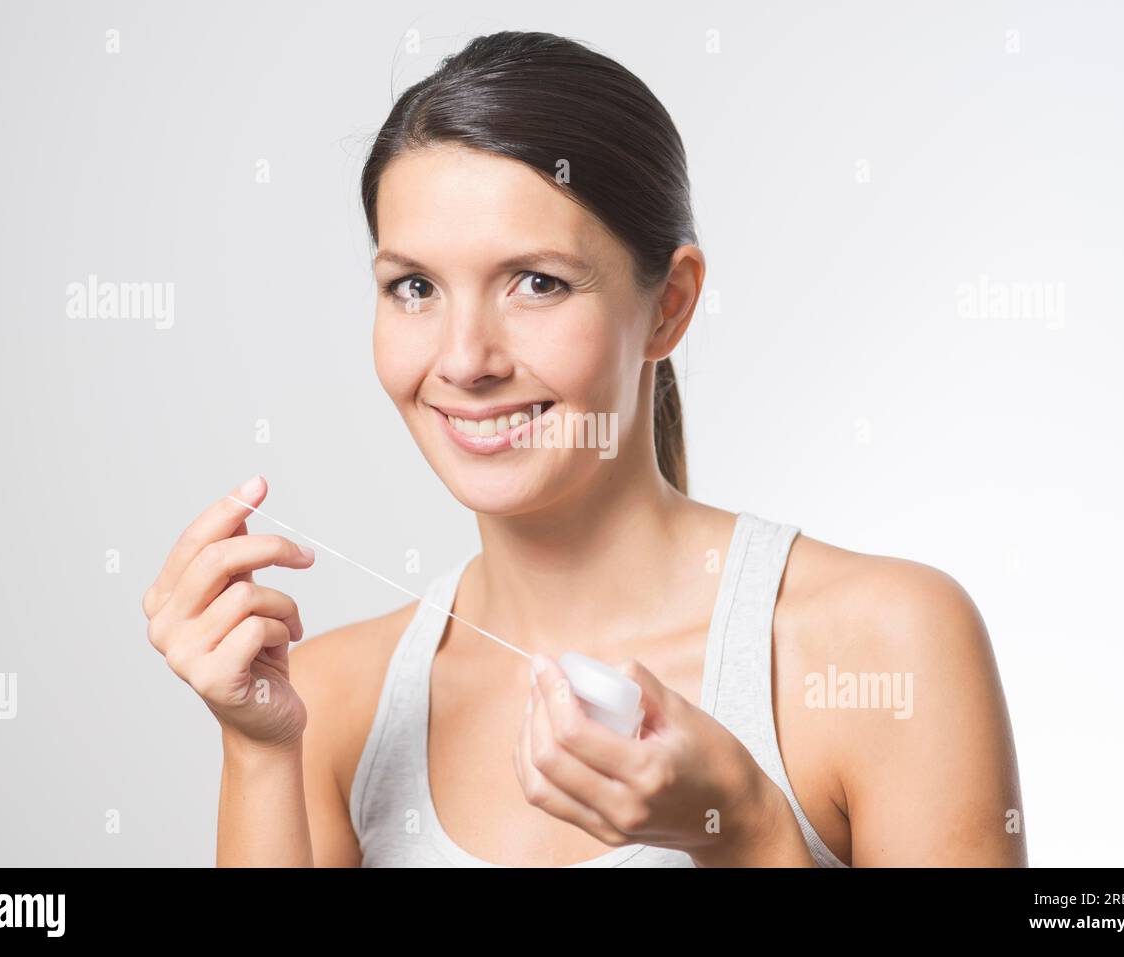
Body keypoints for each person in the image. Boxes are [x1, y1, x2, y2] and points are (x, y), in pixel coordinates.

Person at [141, 31, 1026, 867]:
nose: (464, 360)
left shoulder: (881, 643)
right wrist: (257, 750)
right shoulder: (328, 704)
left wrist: (747, 830)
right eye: (413, 286)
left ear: (670, 305)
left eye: (536, 283)